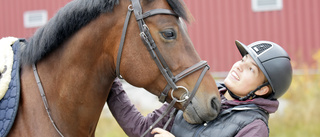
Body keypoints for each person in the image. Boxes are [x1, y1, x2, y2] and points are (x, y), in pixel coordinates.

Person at [107, 40, 293, 137]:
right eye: (243, 60)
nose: (238, 66)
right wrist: (108, 79)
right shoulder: (196, 95)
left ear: (261, 90)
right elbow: (142, 130)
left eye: (250, 69)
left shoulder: (254, 128)